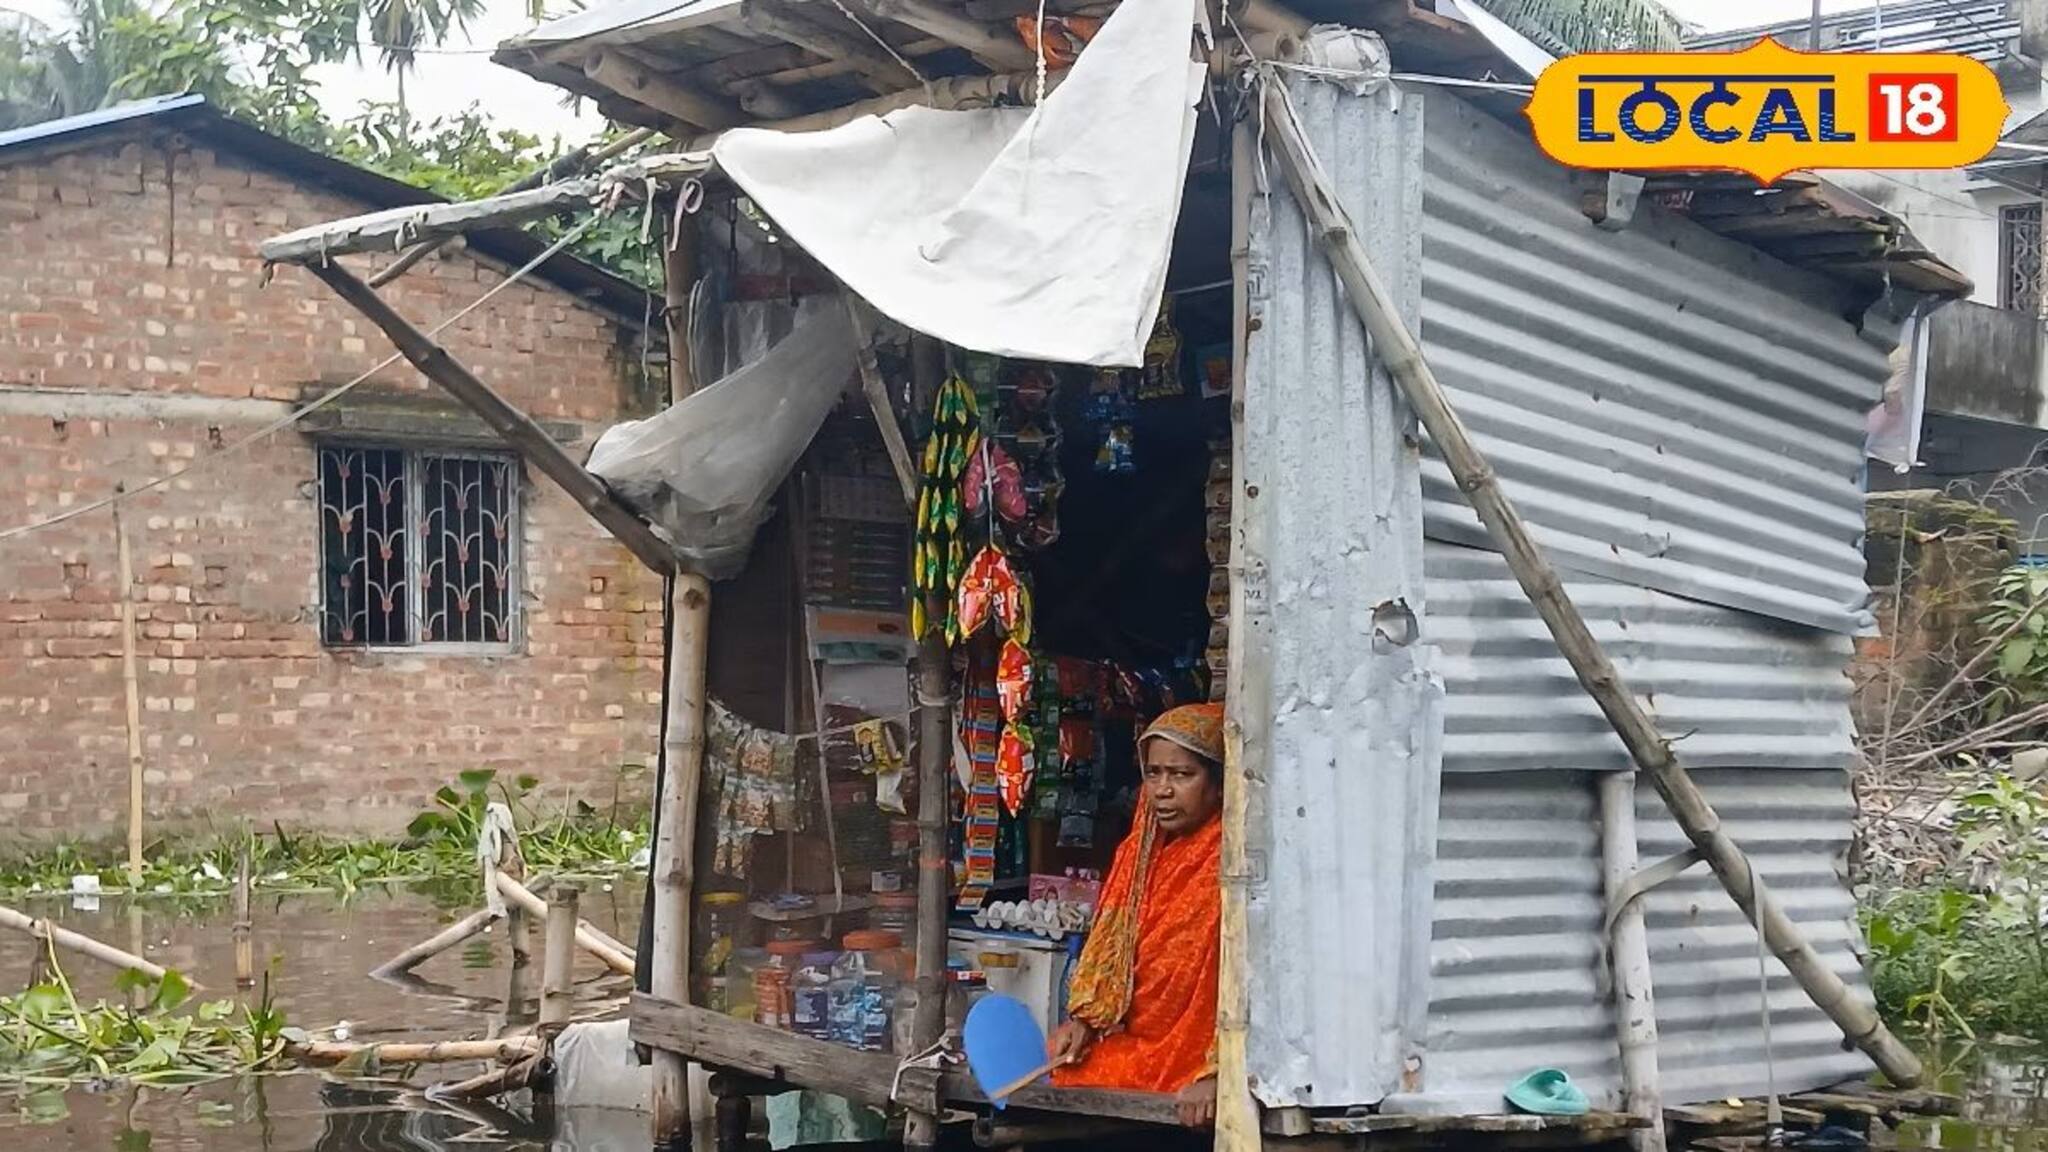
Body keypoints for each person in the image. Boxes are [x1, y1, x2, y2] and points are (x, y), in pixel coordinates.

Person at [1047, 701, 1224, 1128]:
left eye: (1182, 775)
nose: (1162, 790)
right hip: (1146, 1042)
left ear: (1219, 784)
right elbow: (1113, 952)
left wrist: (1219, 1073)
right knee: (1067, 1070)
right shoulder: (1138, 852)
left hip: (1201, 1055)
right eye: (1153, 773)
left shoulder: (1233, 859)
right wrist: (1085, 1022)